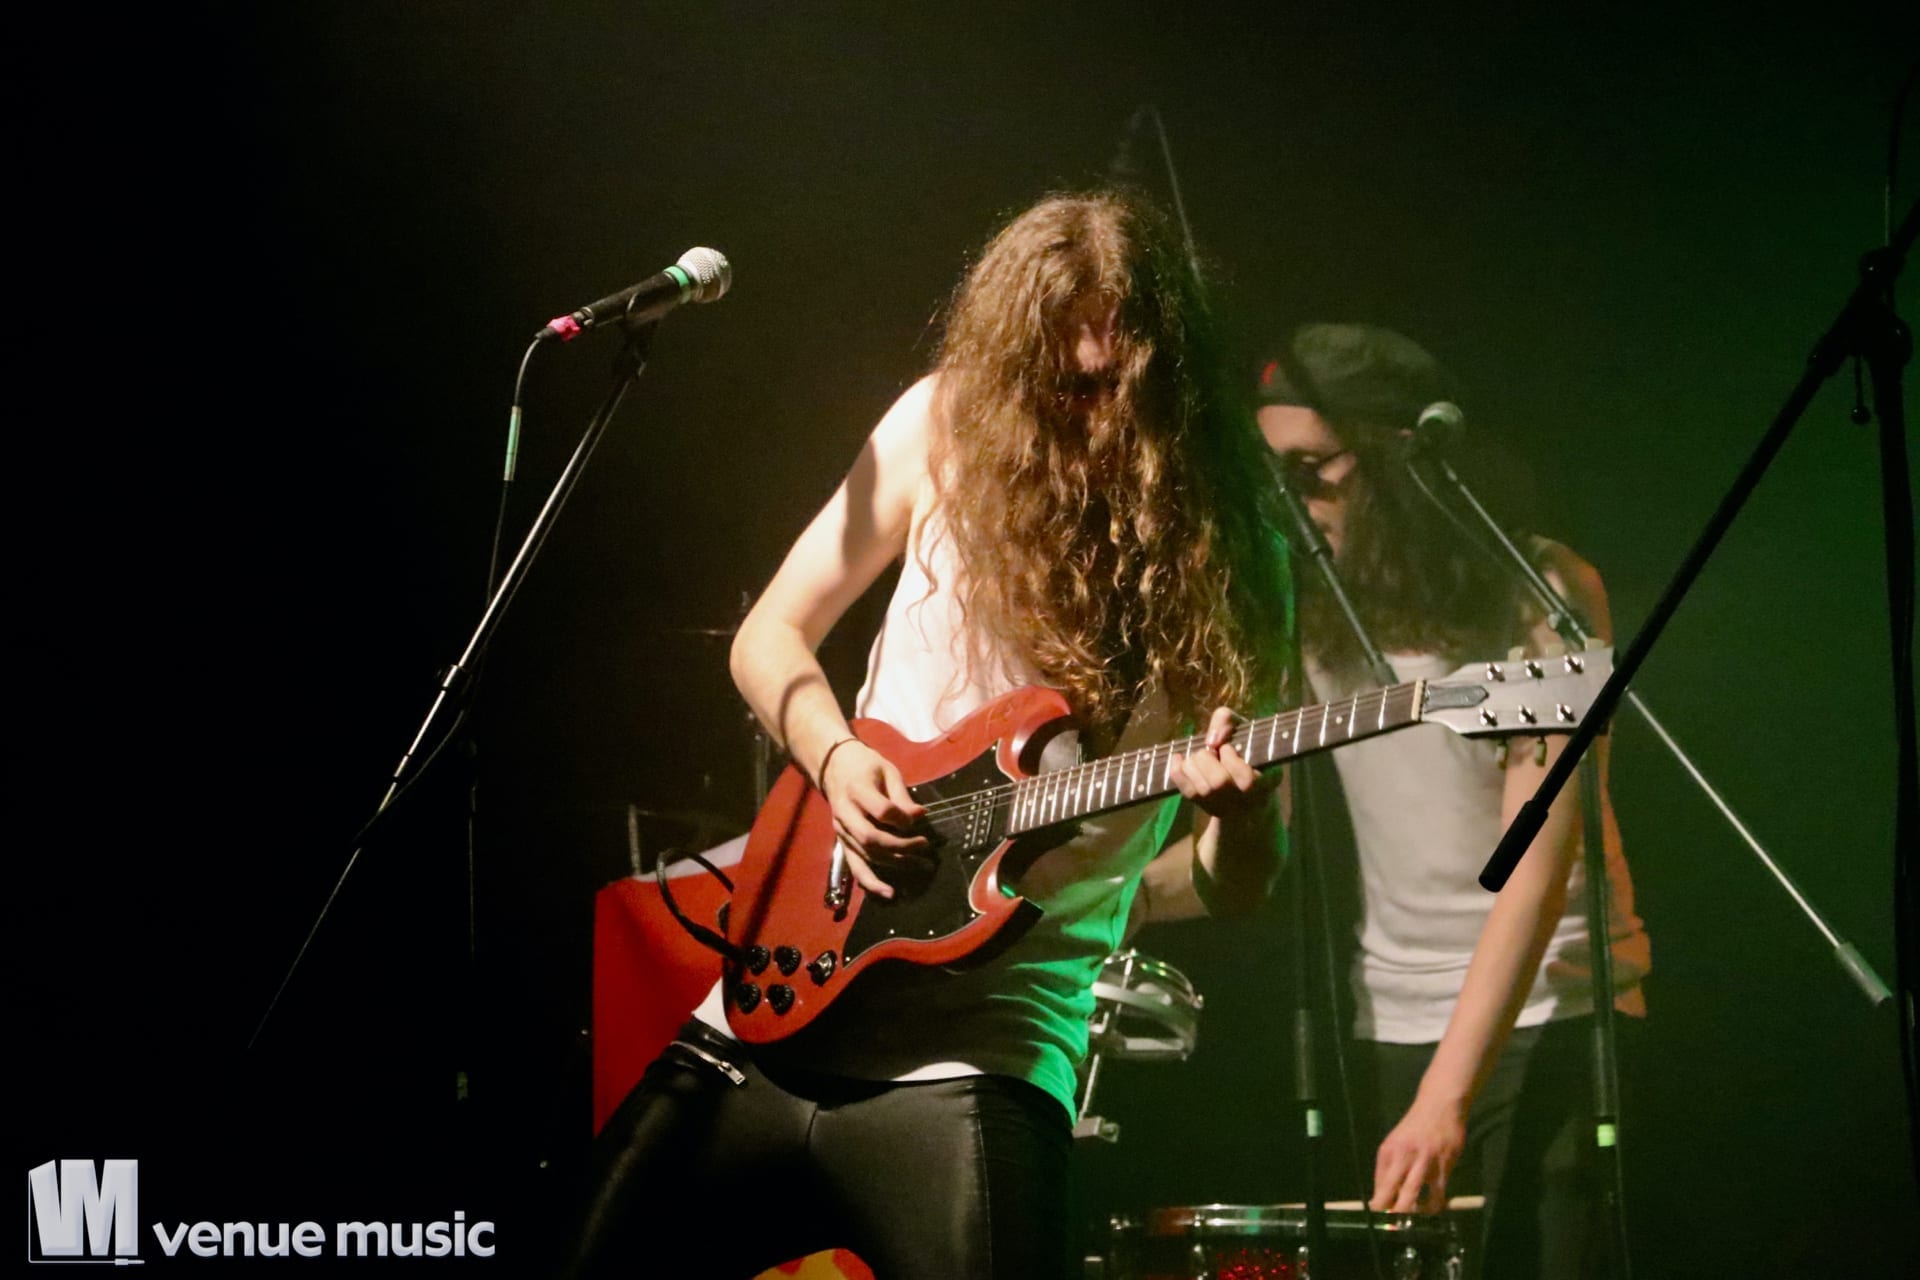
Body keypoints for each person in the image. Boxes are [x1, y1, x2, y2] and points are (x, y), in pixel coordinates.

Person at [561, 191, 1296, 1280]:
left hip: (981, 1054)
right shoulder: (939, 425)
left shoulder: (1236, 555)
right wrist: (835, 755)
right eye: (1057, 384)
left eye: (1112, 388)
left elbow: (1237, 886)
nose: (1084, 414)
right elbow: (770, 635)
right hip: (777, 999)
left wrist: (1242, 815)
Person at [1250, 324, 1651, 1276]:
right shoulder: (1308, 603)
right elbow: (1264, 840)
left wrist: (1445, 1097)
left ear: (1398, 457)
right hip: (1393, 1017)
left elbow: (1537, 863)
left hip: (1551, 1008)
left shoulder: (1539, 589)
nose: (1291, 501)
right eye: (1274, 475)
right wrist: (1093, 891)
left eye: (1312, 470)